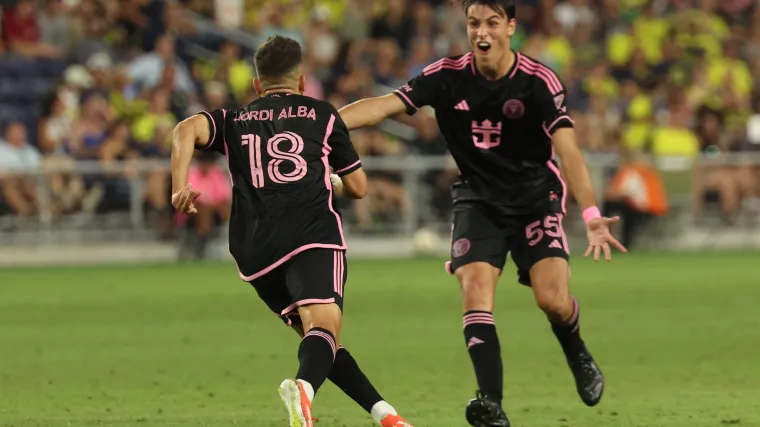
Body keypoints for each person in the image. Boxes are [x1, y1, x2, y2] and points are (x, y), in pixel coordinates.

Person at [337, 1, 627, 426]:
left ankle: (577, 351)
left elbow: (568, 151)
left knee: (552, 300)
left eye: (492, 23)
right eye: (474, 24)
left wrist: (590, 212)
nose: (481, 33)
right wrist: (322, 123)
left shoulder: (538, 82)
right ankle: (491, 404)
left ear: (510, 27)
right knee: (474, 290)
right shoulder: (447, 76)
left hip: (534, 199)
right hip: (477, 199)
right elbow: (383, 106)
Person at [170, 35, 413, 427]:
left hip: (255, 250)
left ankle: (386, 415)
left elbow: (185, 129)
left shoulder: (234, 120)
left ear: (256, 85)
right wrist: (331, 180)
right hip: (310, 232)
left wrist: (179, 185)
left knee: (319, 339)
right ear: (302, 82)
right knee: (325, 329)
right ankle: (302, 389)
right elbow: (360, 188)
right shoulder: (323, 114)